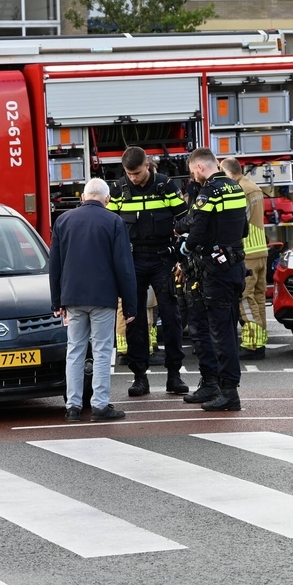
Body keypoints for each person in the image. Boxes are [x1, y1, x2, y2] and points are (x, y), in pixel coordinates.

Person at [50, 177, 137, 422]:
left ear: (83, 197)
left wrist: (56, 301)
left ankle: (73, 406)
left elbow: (54, 264)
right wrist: (130, 304)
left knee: (74, 351)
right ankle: (99, 405)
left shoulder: (63, 220)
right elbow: (124, 266)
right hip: (103, 297)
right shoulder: (114, 221)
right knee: (101, 351)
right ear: (107, 200)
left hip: (72, 297)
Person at [108, 146, 188, 396]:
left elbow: (185, 220)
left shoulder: (166, 186)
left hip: (163, 259)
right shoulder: (119, 190)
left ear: (147, 165)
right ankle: (139, 376)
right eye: (129, 174)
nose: (133, 178)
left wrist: (183, 256)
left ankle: (174, 375)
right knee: (135, 319)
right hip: (133, 260)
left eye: (137, 173)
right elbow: (109, 225)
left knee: (171, 317)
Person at [180, 147, 248, 410]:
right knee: (229, 328)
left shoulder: (209, 192)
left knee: (221, 334)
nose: (193, 177)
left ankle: (229, 393)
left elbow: (197, 231)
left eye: (192, 171)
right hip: (235, 266)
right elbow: (243, 227)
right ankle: (222, 387)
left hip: (216, 271)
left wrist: (184, 248)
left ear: (199, 167)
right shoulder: (235, 187)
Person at [175, 173, 221, 403]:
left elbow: (193, 228)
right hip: (218, 272)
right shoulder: (230, 191)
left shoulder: (205, 196)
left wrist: (183, 249)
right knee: (218, 331)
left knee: (200, 329)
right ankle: (221, 384)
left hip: (203, 272)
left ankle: (212, 384)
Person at [220, 157, 269, 360]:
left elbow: (238, 221)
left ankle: (251, 344)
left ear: (227, 172)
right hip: (260, 251)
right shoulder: (254, 186)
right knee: (258, 298)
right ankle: (260, 340)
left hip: (246, 252)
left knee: (245, 298)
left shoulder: (238, 189)